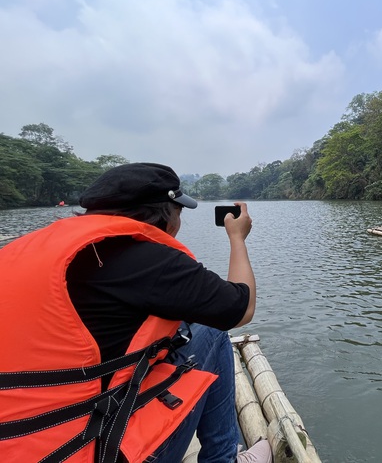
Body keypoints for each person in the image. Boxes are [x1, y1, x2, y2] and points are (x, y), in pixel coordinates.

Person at [0, 163, 272, 463]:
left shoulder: (30, 249)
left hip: (19, 442)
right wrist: (237, 238)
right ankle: (224, 459)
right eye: (178, 212)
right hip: (92, 450)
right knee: (213, 332)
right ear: (165, 214)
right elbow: (240, 308)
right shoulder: (144, 257)